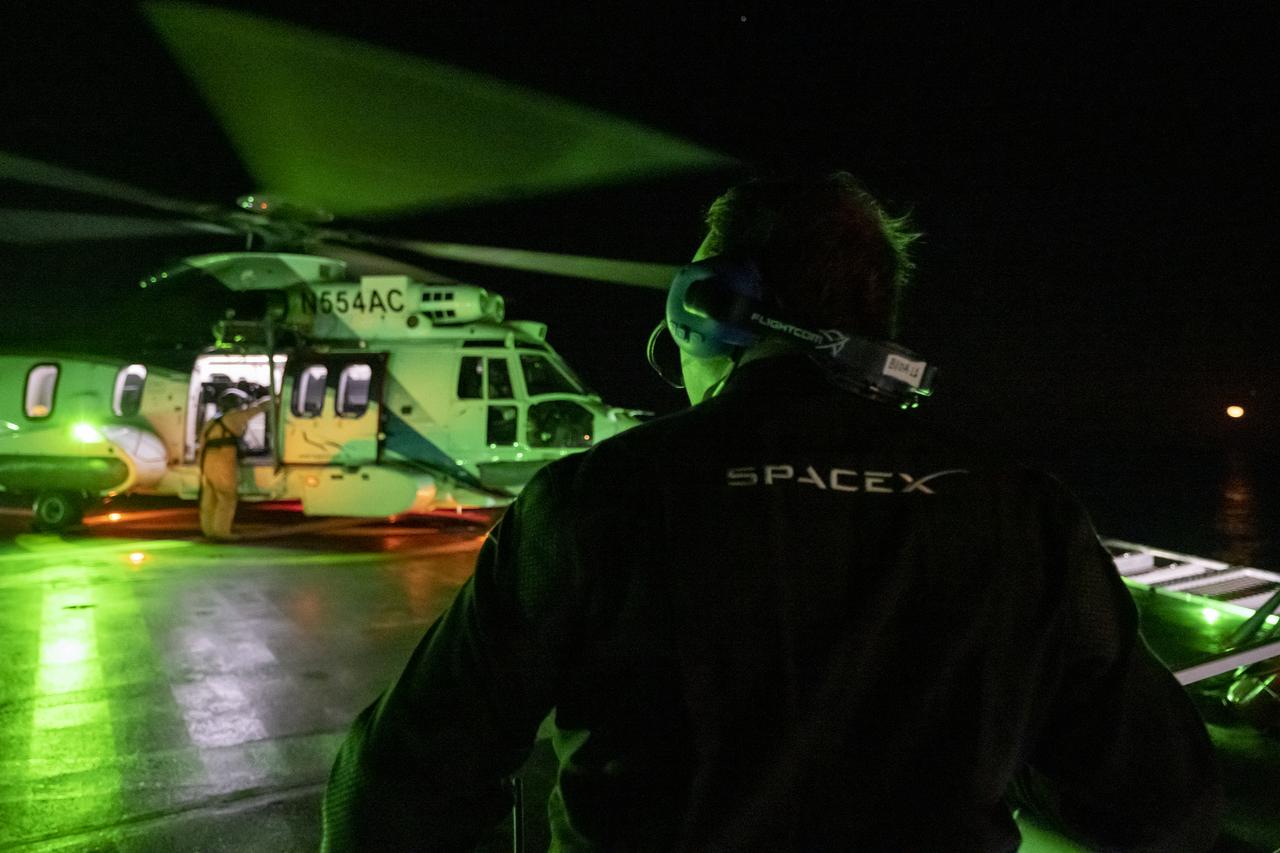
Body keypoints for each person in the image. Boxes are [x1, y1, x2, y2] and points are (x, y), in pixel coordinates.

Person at [322, 172, 1222, 851]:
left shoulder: (595, 499)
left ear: (705, 307)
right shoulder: (1023, 514)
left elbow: (397, 785)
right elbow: (1159, 794)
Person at [198, 391, 271, 540]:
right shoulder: (234, 418)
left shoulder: (212, 421)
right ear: (237, 405)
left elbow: (202, 445)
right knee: (226, 497)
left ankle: (209, 530)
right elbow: (255, 411)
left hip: (207, 462)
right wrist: (271, 400)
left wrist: (201, 468)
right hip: (222, 462)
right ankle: (222, 532)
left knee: (210, 497)